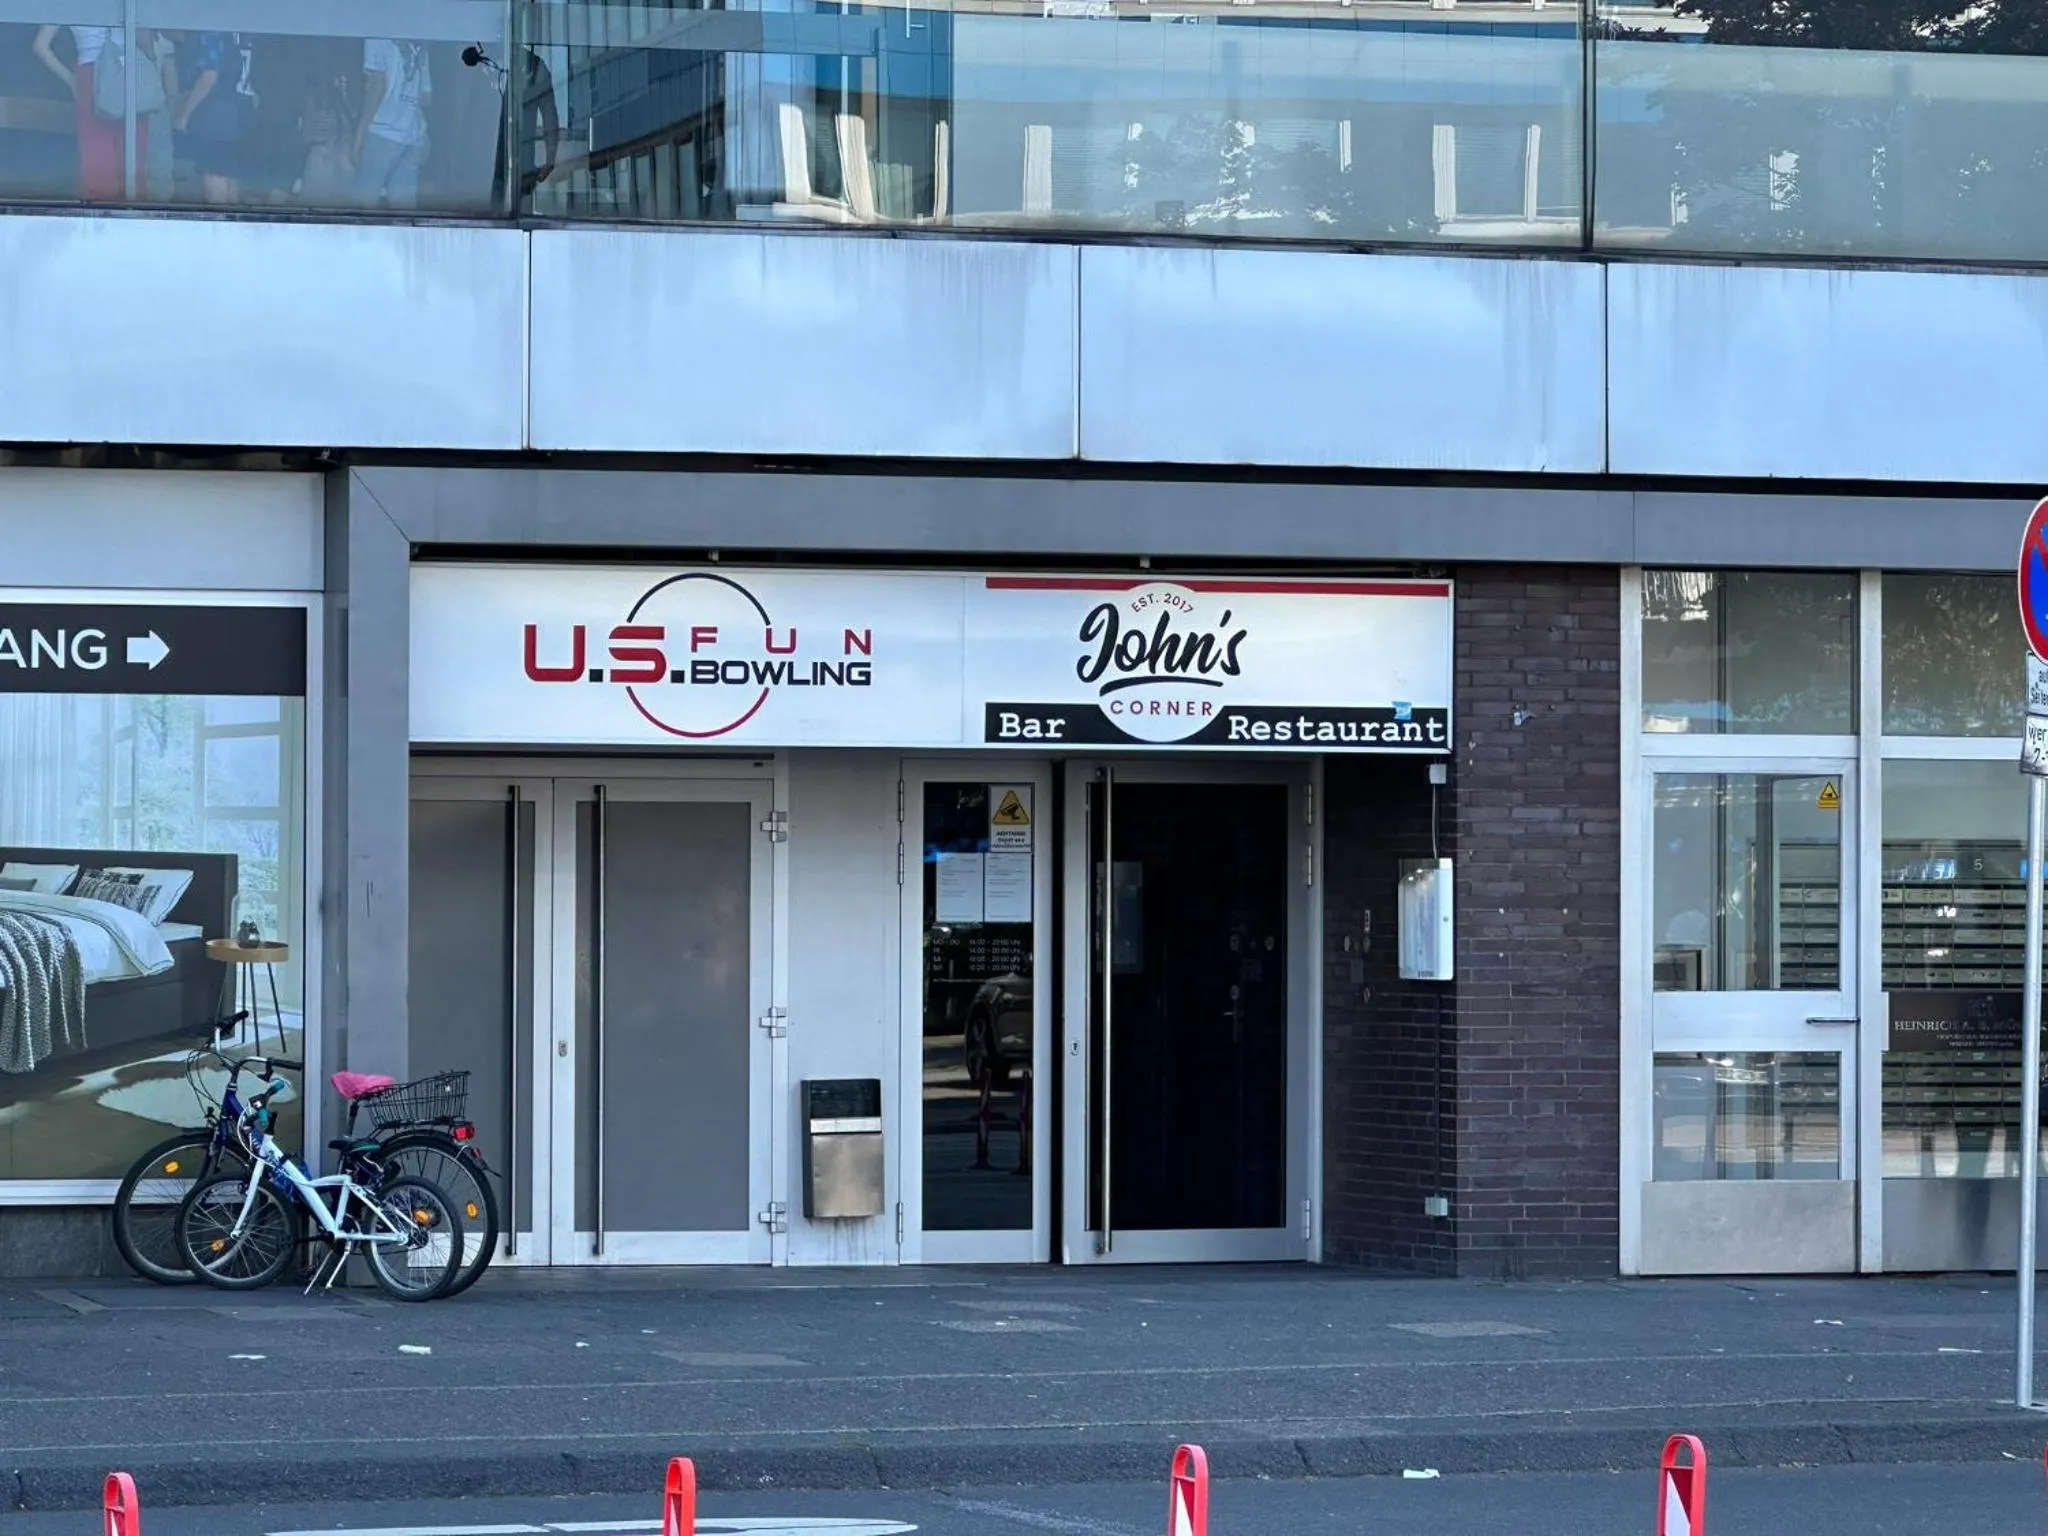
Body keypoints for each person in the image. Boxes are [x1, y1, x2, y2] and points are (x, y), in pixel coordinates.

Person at [30, 24, 151, 200]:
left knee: (96, 149)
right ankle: (134, 210)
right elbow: (145, 40)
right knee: (133, 150)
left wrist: (72, 81)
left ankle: (98, 210)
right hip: (128, 70)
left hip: (90, 73)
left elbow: (40, 46)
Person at [174, 31, 257, 205]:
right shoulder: (232, 33)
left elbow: (209, 75)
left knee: (214, 178)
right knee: (229, 179)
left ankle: (221, 227)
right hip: (236, 116)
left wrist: (184, 115)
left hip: (214, 120)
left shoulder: (209, 34)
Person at [355, 37, 430, 208]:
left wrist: (360, 133)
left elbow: (377, 86)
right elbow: (426, 97)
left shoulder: (376, 34)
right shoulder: (421, 37)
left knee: (361, 205)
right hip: (414, 133)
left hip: (383, 130)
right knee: (404, 210)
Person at [489, 46, 559, 213]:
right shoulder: (533, 66)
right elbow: (550, 115)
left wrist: (550, 157)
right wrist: (550, 158)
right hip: (504, 160)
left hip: (514, 161)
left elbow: (549, 115)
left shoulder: (485, 60)